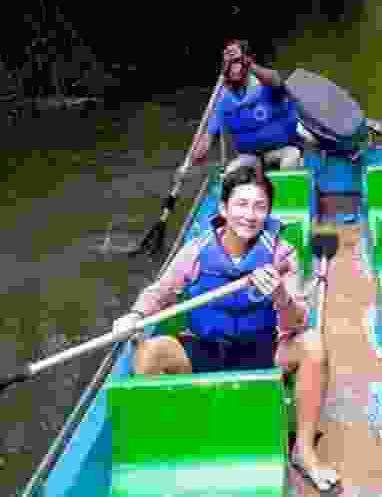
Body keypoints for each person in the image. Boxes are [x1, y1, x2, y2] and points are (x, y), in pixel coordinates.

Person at [111, 165, 340, 491]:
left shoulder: (281, 253)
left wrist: (279, 295)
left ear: (269, 212)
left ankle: (304, 451)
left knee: (313, 344)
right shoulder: (196, 250)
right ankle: (171, 448)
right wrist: (134, 315)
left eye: (260, 206)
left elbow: (298, 320)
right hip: (205, 348)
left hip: (261, 351)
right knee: (149, 353)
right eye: (242, 205)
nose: (250, 215)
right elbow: (159, 292)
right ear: (223, 209)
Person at [190, 39, 316, 172]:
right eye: (229, 62)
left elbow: (277, 81)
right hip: (251, 157)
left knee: (291, 159)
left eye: (237, 62)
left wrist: (248, 64)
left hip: (282, 150)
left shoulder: (265, 85)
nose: (233, 67)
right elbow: (210, 133)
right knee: (231, 173)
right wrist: (199, 151)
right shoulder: (223, 98)